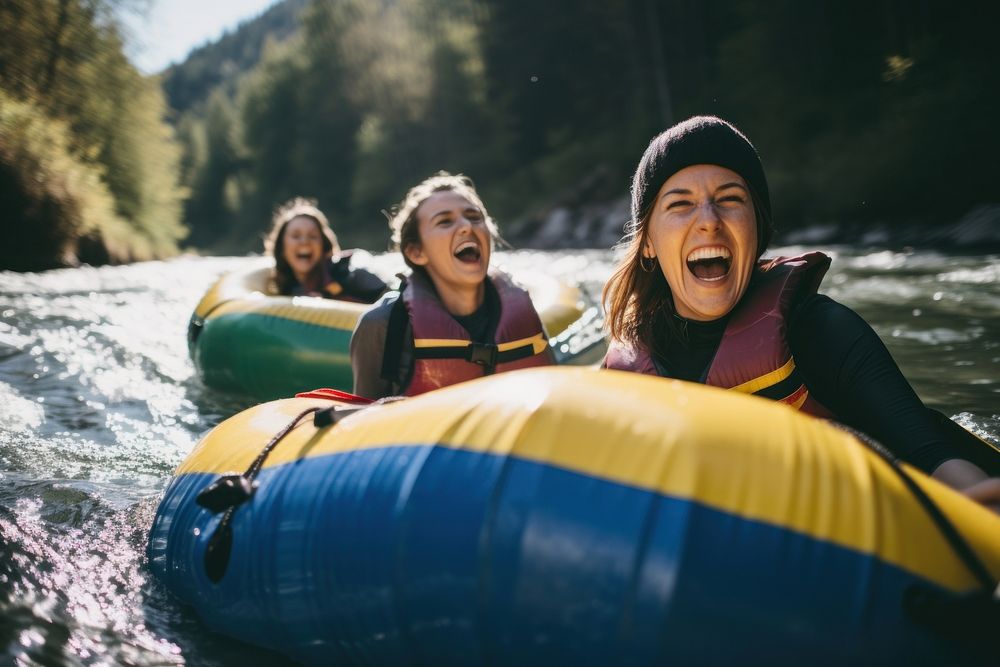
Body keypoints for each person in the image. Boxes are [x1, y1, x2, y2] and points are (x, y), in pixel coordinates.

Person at [602, 115, 1000, 505]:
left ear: (757, 227)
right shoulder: (624, 375)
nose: (709, 221)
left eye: (729, 200)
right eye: (680, 204)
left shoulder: (822, 332)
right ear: (649, 242)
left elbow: (936, 461)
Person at [350, 172, 555, 398]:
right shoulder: (381, 324)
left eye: (474, 217)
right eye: (444, 221)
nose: (467, 226)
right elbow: (363, 421)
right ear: (416, 252)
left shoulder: (521, 310)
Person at [264, 197, 387, 303]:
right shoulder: (282, 287)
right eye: (296, 236)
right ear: (282, 248)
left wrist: (327, 296)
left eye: (313, 236)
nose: (304, 241)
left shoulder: (348, 273)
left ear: (324, 246)